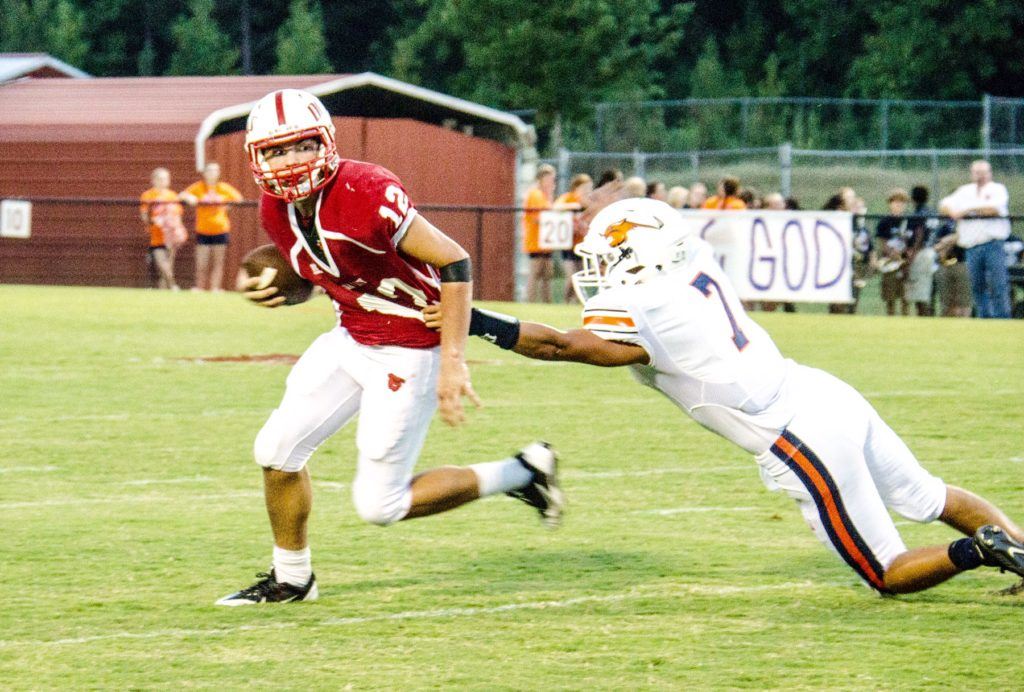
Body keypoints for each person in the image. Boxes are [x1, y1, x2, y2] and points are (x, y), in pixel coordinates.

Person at [431, 198, 1024, 596]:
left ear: (639, 257)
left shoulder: (648, 308)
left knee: (886, 571)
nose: (599, 269)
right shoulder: (693, 265)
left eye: (609, 258)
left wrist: (475, 319)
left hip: (798, 435)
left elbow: (561, 346)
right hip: (823, 391)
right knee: (929, 492)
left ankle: (982, 551)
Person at [216, 89, 564, 606]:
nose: (290, 161)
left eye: (302, 146)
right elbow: (333, 269)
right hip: (351, 335)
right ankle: (292, 579)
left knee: (380, 504)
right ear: (256, 157)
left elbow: (454, 260)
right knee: (276, 451)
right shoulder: (276, 209)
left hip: (409, 348)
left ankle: (523, 472)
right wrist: (293, 287)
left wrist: (452, 361)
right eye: (276, 151)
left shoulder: (367, 189)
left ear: (326, 142)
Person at [939, 160, 1012, 318]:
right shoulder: (965, 191)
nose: (981, 176)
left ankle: (1003, 319)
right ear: (972, 174)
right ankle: (984, 318)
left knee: (997, 284)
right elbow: (944, 204)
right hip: (972, 246)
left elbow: (993, 209)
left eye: (984, 172)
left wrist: (968, 208)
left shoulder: (997, 189)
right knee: (977, 286)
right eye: (977, 172)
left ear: (990, 173)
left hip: (993, 244)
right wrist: (955, 212)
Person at [180, 162, 244, 292]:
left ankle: (215, 288)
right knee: (202, 262)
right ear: (204, 173)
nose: (212, 173)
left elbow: (239, 198)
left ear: (218, 173)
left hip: (220, 229)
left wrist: (227, 206)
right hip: (203, 229)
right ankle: (200, 287)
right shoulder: (198, 187)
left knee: (218, 262)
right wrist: (190, 197)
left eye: (215, 171)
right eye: (209, 171)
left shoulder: (223, 188)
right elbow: (182, 195)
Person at [139, 167, 185, 290]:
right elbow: (144, 214)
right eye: (159, 178)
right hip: (157, 235)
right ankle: (173, 286)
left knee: (169, 265)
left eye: (165, 178)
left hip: (170, 236)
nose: (162, 181)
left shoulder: (173, 196)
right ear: (153, 180)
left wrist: (178, 232)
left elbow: (177, 216)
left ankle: (164, 291)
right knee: (162, 265)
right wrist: (154, 222)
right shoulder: (148, 195)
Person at [554, 173, 593, 303]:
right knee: (571, 277)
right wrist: (575, 207)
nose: (587, 192)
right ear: (576, 188)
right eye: (584, 188)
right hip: (569, 245)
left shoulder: (588, 202)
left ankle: (577, 302)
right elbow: (556, 208)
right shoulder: (569, 198)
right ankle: (565, 302)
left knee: (583, 277)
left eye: (589, 188)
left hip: (582, 244)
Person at [522, 164, 557, 303]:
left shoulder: (545, 196)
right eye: (548, 178)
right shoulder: (535, 194)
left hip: (546, 241)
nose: (551, 182)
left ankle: (547, 302)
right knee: (535, 272)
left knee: (547, 273)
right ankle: (530, 301)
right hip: (536, 240)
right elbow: (537, 217)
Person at [874, 189, 911, 316]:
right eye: (895, 202)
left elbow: (913, 241)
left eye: (901, 202)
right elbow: (881, 241)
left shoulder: (910, 221)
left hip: (906, 262)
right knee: (890, 296)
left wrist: (905, 256)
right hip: (890, 262)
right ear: (890, 204)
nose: (898, 205)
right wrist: (892, 253)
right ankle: (891, 318)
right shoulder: (885, 221)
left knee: (905, 296)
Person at [904, 186, 938, 317]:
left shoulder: (917, 214)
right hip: (932, 252)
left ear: (912, 199)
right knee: (927, 290)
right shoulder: (933, 212)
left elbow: (919, 235)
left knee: (920, 293)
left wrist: (910, 259)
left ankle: (924, 319)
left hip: (920, 253)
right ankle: (927, 316)